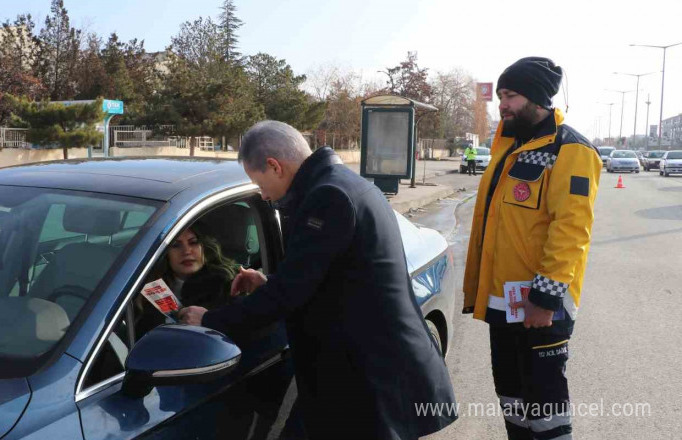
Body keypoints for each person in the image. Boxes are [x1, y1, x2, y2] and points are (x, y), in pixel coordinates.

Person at [179, 120, 457, 440]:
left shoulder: (327, 197)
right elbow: (329, 275)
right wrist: (269, 282)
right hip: (354, 377)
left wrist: (209, 319)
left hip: (371, 384)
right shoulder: (338, 183)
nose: (263, 195)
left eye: (259, 182)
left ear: (274, 166)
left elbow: (291, 294)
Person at [462, 57, 601, 440]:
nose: (502, 104)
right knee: (512, 398)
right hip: (503, 302)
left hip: (541, 306)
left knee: (546, 409)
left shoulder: (570, 149)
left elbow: (571, 230)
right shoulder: (508, 146)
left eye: (511, 96)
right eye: (501, 96)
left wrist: (545, 297)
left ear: (537, 97)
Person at [136, 225, 239, 333]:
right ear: (165, 253)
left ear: (203, 247)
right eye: (176, 245)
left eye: (193, 242)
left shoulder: (226, 285)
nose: (186, 251)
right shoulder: (148, 286)